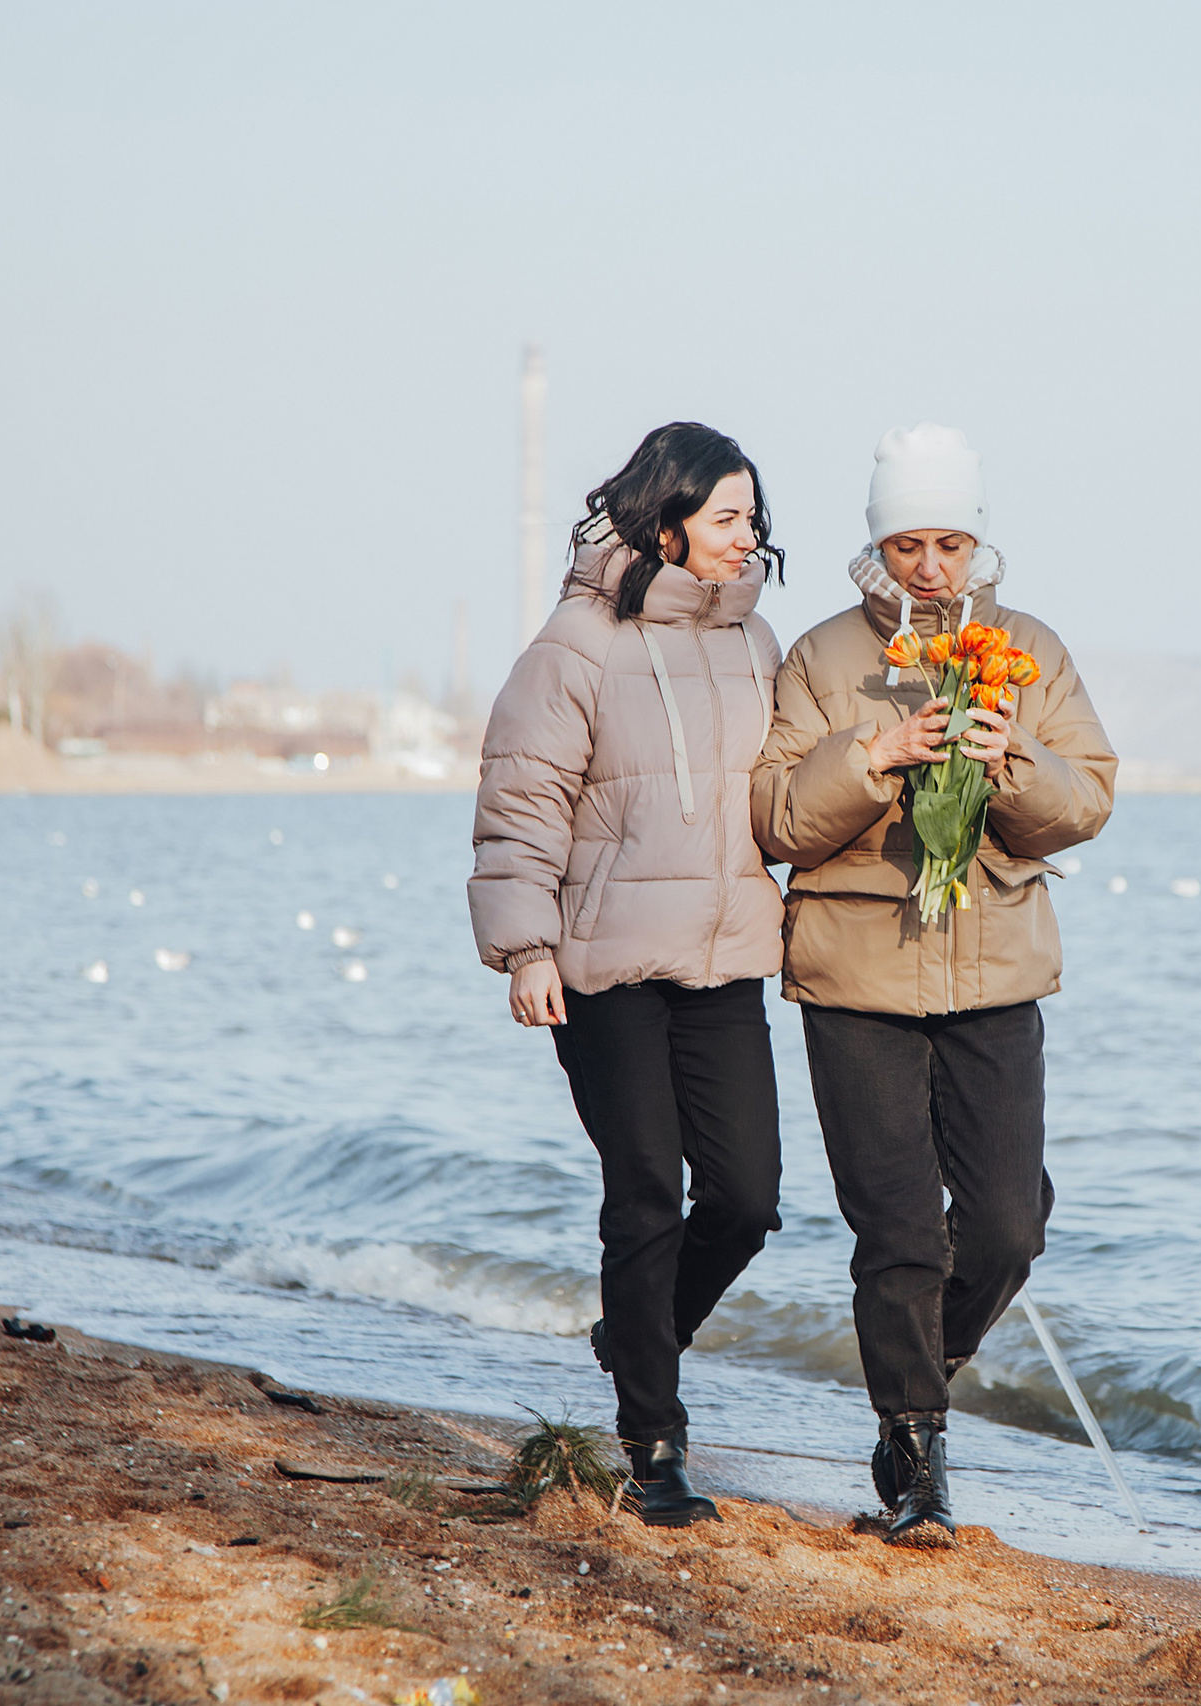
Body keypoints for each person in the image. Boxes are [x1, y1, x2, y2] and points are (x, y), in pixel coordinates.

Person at [752, 423, 1116, 1546]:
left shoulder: (1031, 647)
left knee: (1009, 1223)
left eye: (949, 541)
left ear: (975, 543)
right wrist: (875, 755)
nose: (928, 566)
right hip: (855, 978)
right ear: (878, 546)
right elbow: (775, 816)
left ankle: (919, 1375)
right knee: (899, 1233)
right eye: (906, 542)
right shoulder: (818, 657)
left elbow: (1088, 799)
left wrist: (1012, 756)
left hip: (998, 968)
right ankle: (914, 1455)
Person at [468, 421, 787, 1527]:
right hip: (601, 963)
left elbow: (782, 800)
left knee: (745, 1198)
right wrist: (526, 947)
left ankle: (631, 1334)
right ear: (668, 523)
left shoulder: (758, 641)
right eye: (728, 518)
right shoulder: (577, 641)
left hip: (725, 958)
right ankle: (654, 1440)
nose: (750, 536)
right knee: (646, 1187)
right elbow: (521, 798)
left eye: (754, 517)